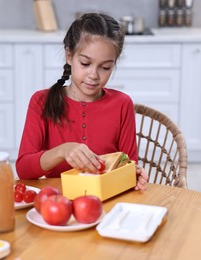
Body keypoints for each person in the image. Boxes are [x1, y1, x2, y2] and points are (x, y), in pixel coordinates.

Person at [16, 13, 148, 191]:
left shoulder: (122, 104)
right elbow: (24, 169)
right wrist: (62, 151)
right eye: (85, 63)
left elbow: (127, 164)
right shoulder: (41, 102)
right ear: (69, 56)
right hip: (56, 203)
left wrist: (134, 173)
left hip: (106, 201)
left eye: (105, 67)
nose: (93, 75)